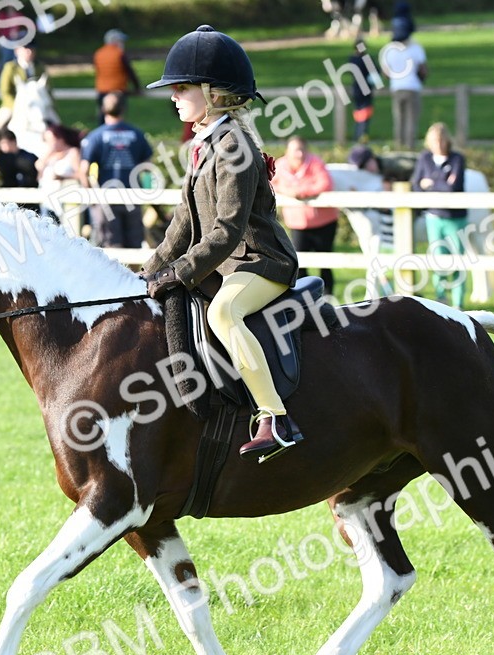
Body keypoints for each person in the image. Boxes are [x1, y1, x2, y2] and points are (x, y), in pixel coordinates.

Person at [142, 25, 303, 460]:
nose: (173, 96)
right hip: (227, 263)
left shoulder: (236, 148)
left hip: (261, 262)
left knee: (224, 312)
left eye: (181, 87)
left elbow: (226, 231)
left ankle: (275, 417)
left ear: (213, 92)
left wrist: (178, 272)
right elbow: (181, 224)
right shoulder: (203, 145)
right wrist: (147, 271)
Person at [80, 92, 153, 248]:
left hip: (106, 198)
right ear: (124, 109)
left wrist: (92, 196)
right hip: (133, 197)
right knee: (134, 247)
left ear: (102, 109)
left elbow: (83, 169)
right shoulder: (137, 134)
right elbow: (148, 167)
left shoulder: (95, 136)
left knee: (111, 248)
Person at [272, 136, 338, 296]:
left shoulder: (315, 163)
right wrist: (289, 192)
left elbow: (325, 184)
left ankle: (328, 298)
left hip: (324, 223)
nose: (299, 154)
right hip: (298, 224)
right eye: (295, 150)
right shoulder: (280, 166)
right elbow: (271, 184)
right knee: (299, 263)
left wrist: (301, 191)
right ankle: (307, 298)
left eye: (302, 149)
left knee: (325, 262)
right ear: (287, 151)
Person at [411, 122, 467, 307]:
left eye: (442, 140)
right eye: (435, 140)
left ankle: (458, 303)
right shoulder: (425, 158)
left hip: (455, 217)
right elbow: (417, 185)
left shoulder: (457, 159)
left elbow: (453, 188)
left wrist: (431, 181)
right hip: (433, 216)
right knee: (438, 258)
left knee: (458, 259)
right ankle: (441, 299)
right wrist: (442, 178)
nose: (439, 144)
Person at [379, 16, 427, 150]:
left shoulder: (388, 50)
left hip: (396, 88)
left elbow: (386, 72)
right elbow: (423, 70)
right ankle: (410, 148)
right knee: (411, 122)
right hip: (412, 87)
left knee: (399, 121)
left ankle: (399, 147)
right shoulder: (416, 48)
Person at [36, 122, 84, 222]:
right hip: (47, 199)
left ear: (60, 139)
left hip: (65, 199)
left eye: (51, 140)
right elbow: (39, 173)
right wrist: (47, 156)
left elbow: (81, 174)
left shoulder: (72, 152)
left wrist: (63, 177)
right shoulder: (48, 156)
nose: (49, 144)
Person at [0, 43, 47, 131]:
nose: (29, 52)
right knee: (0, 124)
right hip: (14, 104)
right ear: (17, 51)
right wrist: (16, 106)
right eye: (26, 49)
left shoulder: (39, 67)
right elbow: (5, 91)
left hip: (37, 103)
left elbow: (47, 89)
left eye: (32, 50)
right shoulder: (10, 67)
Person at [93, 29, 140, 120]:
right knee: (117, 118)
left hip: (102, 91)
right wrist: (137, 87)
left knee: (103, 118)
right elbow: (130, 72)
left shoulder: (98, 53)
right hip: (118, 92)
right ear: (116, 41)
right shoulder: (119, 53)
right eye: (121, 41)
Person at [0, 4, 30, 86]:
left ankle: (22, 78)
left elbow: (27, 28)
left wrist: (19, 34)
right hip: (4, 42)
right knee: (6, 60)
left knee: (19, 59)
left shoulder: (19, 16)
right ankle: (0, 78)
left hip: (15, 42)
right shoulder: (1, 16)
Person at [347, 39, 380, 142]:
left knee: (358, 113)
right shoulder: (367, 59)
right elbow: (375, 73)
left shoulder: (352, 59)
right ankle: (362, 135)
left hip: (356, 89)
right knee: (365, 114)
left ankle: (357, 135)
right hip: (366, 89)